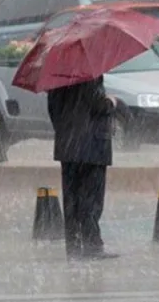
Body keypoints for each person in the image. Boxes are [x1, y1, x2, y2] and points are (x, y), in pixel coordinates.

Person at [47, 76, 120, 261]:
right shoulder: (89, 75)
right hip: (92, 147)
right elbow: (97, 105)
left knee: (71, 200)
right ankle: (92, 246)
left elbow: (53, 111)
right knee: (91, 199)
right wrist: (111, 102)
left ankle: (73, 246)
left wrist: (67, 131)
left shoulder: (57, 77)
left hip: (68, 146)